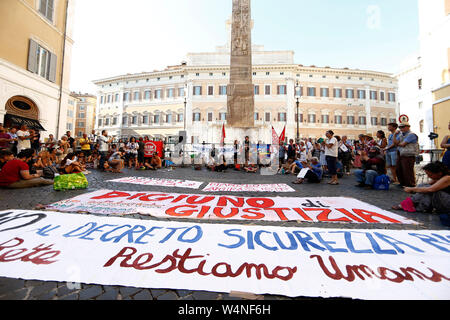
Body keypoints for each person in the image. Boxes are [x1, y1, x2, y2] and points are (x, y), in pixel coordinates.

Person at [394, 122, 419, 187]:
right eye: (400, 127)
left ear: (408, 127)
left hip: (409, 154)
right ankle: (402, 183)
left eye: (403, 127)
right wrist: (394, 135)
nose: (401, 128)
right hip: (401, 153)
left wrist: (397, 144)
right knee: (398, 169)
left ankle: (410, 184)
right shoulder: (400, 135)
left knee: (407, 170)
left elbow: (403, 144)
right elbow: (395, 142)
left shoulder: (411, 135)